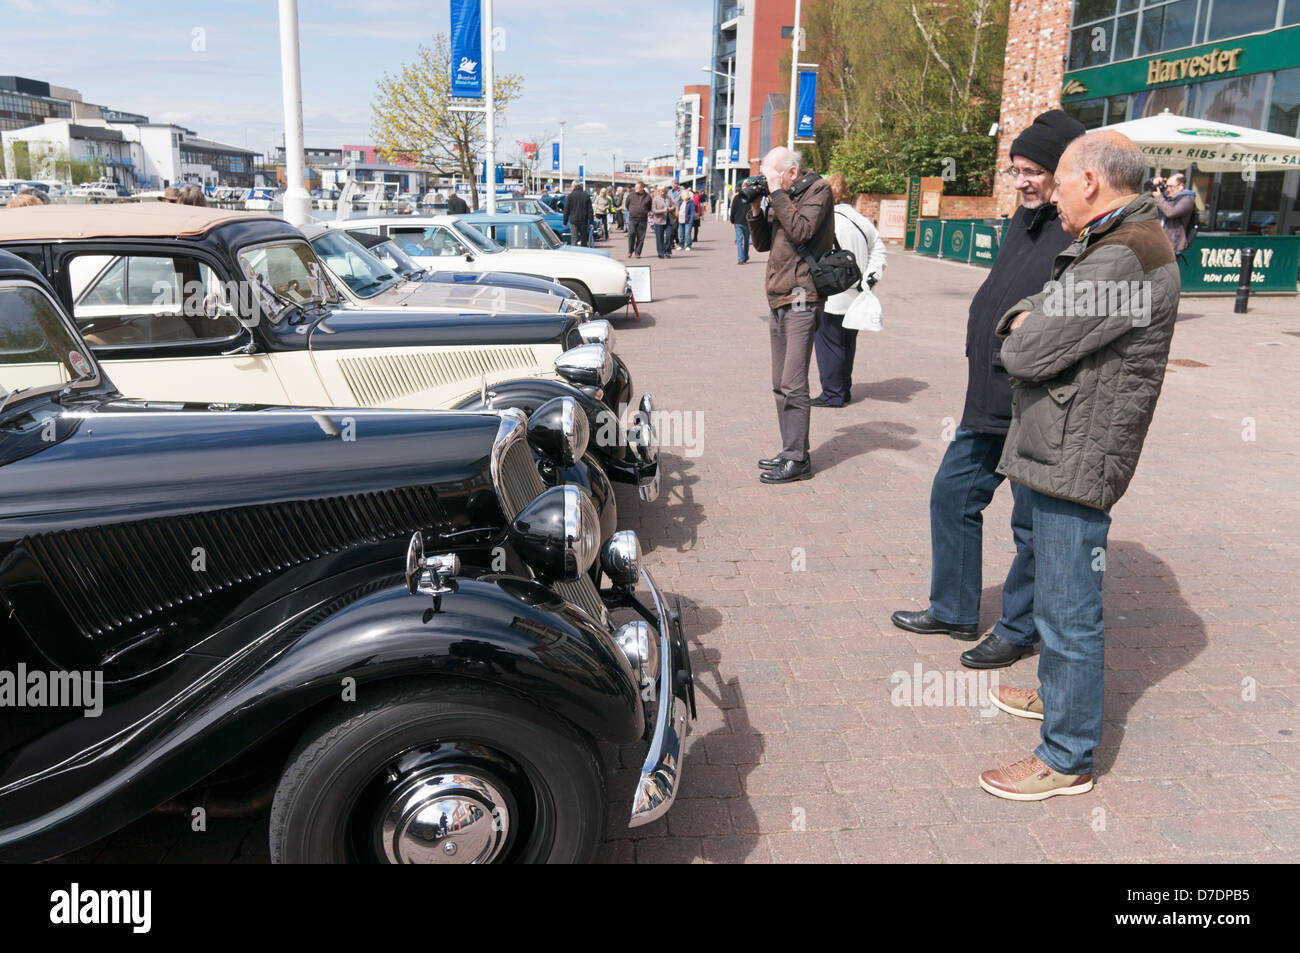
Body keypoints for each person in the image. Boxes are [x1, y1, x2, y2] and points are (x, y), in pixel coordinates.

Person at [978, 130, 1180, 800]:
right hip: (1062, 442)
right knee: (1055, 587)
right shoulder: (1117, 240)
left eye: (1058, 180)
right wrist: (1027, 318)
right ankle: (1059, 701)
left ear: (1091, 180)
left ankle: (1066, 755)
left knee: (1067, 607)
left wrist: (1021, 326)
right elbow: (1035, 318)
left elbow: (1030, 349)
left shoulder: (1124, 253)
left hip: (1077, 451)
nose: (1050, 194)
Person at [892, 110, 1085, 672]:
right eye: (1017, 170)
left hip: (1037, 405)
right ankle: (953, 608)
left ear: (1064, 172)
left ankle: (1019, 628)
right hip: (987, 401)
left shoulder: (1075, 230)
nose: (1022, 181)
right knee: (951, 496)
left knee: (1030, 526)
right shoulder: (1021, 222)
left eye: (1034, 171)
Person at [748, 147, 834, 484]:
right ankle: (789, 450)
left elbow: (800, 230)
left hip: (801, 296)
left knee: (793, 382)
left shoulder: (818, 190)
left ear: (792, 173)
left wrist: (776, 192)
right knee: (778, 383)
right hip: (778, 296)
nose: (767, 181)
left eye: (771, 174)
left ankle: (798, 459)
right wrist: (756, 208)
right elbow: (762, 243)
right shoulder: (784, 194)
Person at [812, 172, 886, 408]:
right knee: (847, 343)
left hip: (832, 290)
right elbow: (879, 251)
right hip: (857, 291)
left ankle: (832, 393)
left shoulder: (825, 219)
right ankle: (844, 389)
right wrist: (870, 278)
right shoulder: (862, 220)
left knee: (828, 342)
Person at [1149, 172, 1196, 256]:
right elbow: (1146, 194)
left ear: (1181, 186)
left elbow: (1171, 212)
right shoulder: (1166, 198)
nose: (1168, 189)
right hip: (1157, 244)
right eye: (1167, 186)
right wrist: (1153, 182)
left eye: (1171, 186)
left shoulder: (1188, 200)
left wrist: (1159, 197)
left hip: (1172, 247)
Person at [626, 181, 651, 257]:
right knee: (631, 234)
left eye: (637, 187)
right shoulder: (631, 195)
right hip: (632, 218)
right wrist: (632, 210)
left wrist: (644, 211)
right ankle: (630, 250)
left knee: (641, 237)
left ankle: (638, 252)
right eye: (635, 187)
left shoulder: (648, 196)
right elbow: (627, 205)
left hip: (642, 219)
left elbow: (649, 207)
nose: (635, 188)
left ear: (642, 188)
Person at [563, 181, 592, 247]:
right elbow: (590, 210)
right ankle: (584, 251)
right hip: (583, 220)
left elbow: (566, 210)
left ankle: (574, 253)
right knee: (583, 238)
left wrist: (564, 221)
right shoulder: (586, 195)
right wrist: (591, 222)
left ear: (574, 187)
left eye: (571, 186)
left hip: (573, 220)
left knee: (574, 238)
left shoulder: (570, 196)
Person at [730, 187, 751, 264]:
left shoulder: (736, 198)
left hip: (738, 221)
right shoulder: (749, 198)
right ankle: (745, 256)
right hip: (747, 221)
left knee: (739, 240)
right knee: (746, 240)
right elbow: (750, 209)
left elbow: (733, 210)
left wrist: (732, 220)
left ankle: (740, 258)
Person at [651, 186, 672, 258]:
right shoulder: (655, 199)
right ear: (658, 191)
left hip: (668, 219)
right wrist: (663, 210)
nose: (663, 193)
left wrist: (669, 209)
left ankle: (668, 251)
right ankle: (660, 252)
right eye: (661, 191)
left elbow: (673, 206)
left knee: (669, 235)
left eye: (664, 191)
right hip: (659, 220)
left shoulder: (668, 197)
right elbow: (654, 210)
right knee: (659, 237)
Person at [677, 186, 695, 250]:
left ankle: (688, 245)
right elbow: (678, 210)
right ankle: (681, 245)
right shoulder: (680, 202)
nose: (681, 196)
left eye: (682, 195)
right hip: (680, 220)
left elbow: (692, 212)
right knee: (681, 234)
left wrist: (691, 219)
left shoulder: (691, 202)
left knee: (687, 233)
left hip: (688, 220)